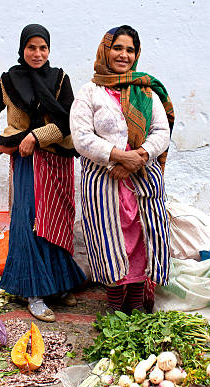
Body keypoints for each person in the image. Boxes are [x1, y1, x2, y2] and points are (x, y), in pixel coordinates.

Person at [0, 24, 86, 322]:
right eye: (31, 47)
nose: (37, 53)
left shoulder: (60, 79)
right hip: (26, 162)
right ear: (22, 49)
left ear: (49, 50)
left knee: (57, 221)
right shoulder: (8, 81)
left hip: (56, 159)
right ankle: (34, 292)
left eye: (43, 47)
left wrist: (37, 136)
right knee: (29, 221)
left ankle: (58, 283)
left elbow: (70, 121)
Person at [70, 25, 174, 313]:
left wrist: (137, 158)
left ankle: (137, 305)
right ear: (105, 50)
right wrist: (117, 156)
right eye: (117, 48)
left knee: (143, 239)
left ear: (136, 54)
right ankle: (116, 308)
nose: (123, 55)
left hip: (142, 180)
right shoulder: (90, 92)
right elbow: (81, 138)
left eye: (129, 50)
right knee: (109, 240)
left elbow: (161, 132)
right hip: (103, 182)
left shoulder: (146, 91)